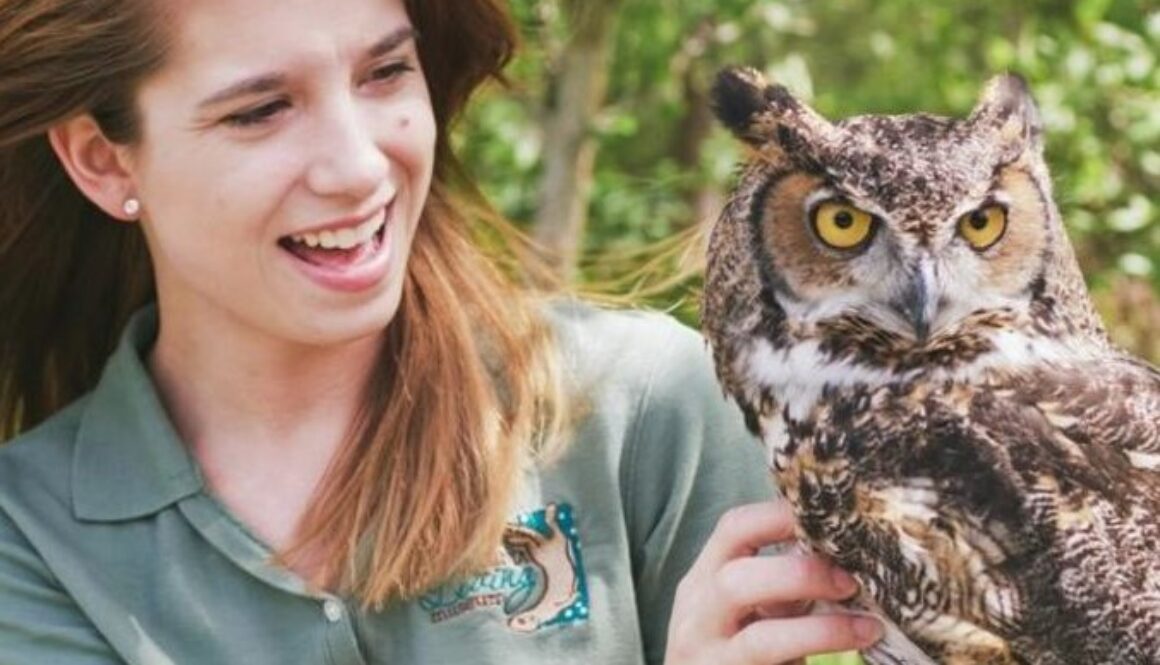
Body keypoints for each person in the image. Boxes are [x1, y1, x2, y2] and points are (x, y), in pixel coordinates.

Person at [0, 0, 883, 662]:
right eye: (260, 109)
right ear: (103, 159)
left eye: (385, 72)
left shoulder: (646, 408)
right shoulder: (28, 542)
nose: (357, 166)